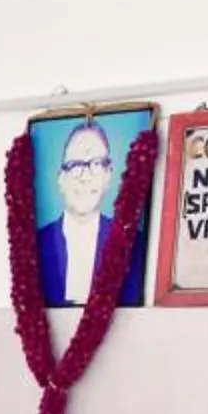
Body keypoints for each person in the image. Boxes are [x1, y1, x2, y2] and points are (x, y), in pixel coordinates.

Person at [35, 119, 145, 310]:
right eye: (76, 165)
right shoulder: (34, 245)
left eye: (96, 164)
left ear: (108, 176)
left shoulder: (135, 245)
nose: (86, 177)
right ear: (61, 179)